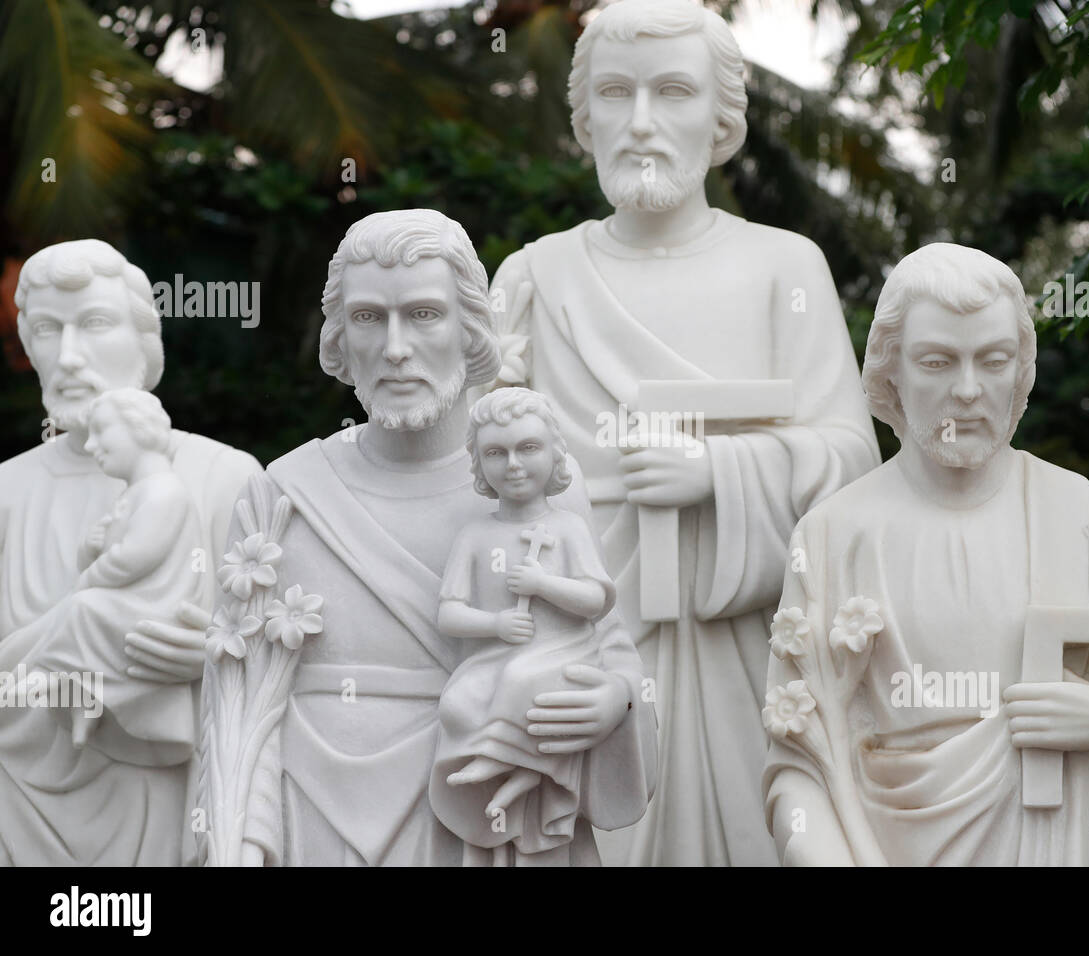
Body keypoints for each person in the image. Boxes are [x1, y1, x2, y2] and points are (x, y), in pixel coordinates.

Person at [486, 0, 879, 866]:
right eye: (615, 95)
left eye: (672, 93)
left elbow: (855, 469)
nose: (641, 123)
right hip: (579, 665)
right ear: (584, 121)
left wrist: (721, 474)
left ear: (722, 118)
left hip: (750, 662)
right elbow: (475, 492)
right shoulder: (534, 282)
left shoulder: (786, 269)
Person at [762, 242, 1089, 866]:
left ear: (1021, 370)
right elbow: (795, 763)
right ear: (890, 373)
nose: (968, 390)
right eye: (937, 361)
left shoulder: (1084, 517)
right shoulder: (831, 536)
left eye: (993, 360)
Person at [199, 210, 655, 867]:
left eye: (422, 315)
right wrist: (239, 838)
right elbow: (239, 702)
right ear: (339, 335)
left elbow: (604, 643)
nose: (393, 348)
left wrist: (617, 700)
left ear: (471, 328)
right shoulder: (283, 494)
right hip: (317, 825)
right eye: (366, 318)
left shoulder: (543, 486)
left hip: (486, 810)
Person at [0, 239, 260, 866]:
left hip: (166, 805)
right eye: (44, 329)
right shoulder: (7, 491)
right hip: (19, 811)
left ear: (145, 337)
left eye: (93, 324)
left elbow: (289, 655)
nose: (67, 356)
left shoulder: (226, 477)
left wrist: (215, 660)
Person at [432, 387, 639, 864]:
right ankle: (518, 771)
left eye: (528, 448)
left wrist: (543, 584)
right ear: (479, 465)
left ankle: (503, 765)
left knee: (524, 681)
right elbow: (449, 614)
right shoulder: (475, 535)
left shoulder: (567, 528)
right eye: (495, 453)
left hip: (564, 652)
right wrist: (495, 623)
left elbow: (596, 599)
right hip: (501, 653)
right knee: (461, 700)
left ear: (554, 453)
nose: (514, 465)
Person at [6, 388, 203, 755]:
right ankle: (83, 704)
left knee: (83, 609)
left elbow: (133, 558)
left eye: (102, 431)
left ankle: (44, 676)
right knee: (83, 609)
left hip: (154, 608)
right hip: (130, 603)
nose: (92, 444)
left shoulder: (164, 492)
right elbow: (112, 553)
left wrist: (88, 580)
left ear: (138, 428)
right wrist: (91, 549)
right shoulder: (136, 492)